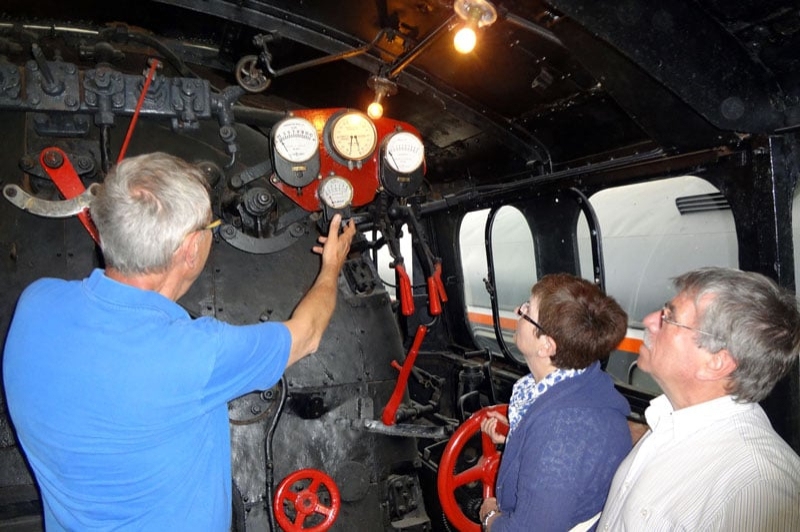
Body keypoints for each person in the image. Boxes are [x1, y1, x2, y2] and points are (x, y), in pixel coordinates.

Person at [2, 152, 356, 531]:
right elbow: (308, 334)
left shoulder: (36, 303)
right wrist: (331, 266)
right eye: (210, 227)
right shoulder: (195, 355)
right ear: (190, 250)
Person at [598, 267, 800, 531]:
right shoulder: (670, 420)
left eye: (669, 318)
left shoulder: (757, 487)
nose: (648, 321)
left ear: (717, 362)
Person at [479, 273, 633, 532]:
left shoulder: (559, 430)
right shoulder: (583, 382)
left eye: (527, 310)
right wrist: (518, 436)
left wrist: (490, 517)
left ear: (546, 347)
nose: (518, 311)